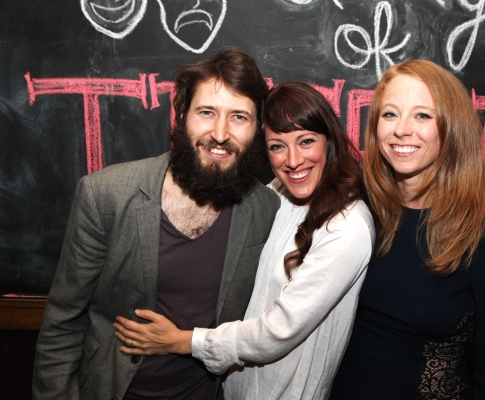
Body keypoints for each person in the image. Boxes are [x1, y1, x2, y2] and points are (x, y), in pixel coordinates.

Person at [32, 47, 281, 400]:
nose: (221, 133)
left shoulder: (265, 209)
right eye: (207, 112)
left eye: (239, 117)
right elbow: (63, 323)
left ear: (256, 129)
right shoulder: (106, 195)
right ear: (182, 115)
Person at [113, 81, 376, 400]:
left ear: (329, 140)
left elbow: (279, 331)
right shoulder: (275, 195)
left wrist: (179, 341)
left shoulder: (347, 226)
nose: (292, 161)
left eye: (306, 141)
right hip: (230, 389)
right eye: (277, 146)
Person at [330, 59, 485, 399]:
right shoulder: (356, 209)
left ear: (451, 127)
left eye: (422, 115)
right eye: (389, 114)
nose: (402, 129)